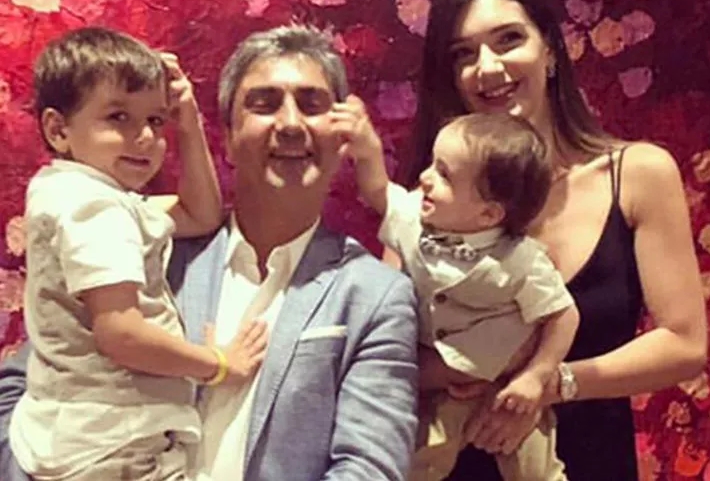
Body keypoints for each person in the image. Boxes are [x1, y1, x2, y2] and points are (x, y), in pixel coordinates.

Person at [0, 24, 419, 481]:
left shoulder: (375, 296)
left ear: (341, 139)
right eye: (264, 104)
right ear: (229, 137)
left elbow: (369, 469)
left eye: (312, 104)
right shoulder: (146, 245)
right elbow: (35, 374)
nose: (291, 124)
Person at [403, 0, 707, 480]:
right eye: (464, 53)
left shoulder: (637, 174)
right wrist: (465, 366)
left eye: (508, 39)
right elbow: (388, 351)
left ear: (548, 49)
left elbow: (684, 345)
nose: (488, 68)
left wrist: (550, 382)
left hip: (592, 464)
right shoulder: (426, 202)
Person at [8, 27, 269, 481]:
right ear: (58, 129)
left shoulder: (73, 190)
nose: (144, 136)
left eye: (156, 120)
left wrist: (187, 123)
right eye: (118, 117)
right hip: (110, 443)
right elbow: (121, 333)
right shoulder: (95, 209)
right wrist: (219, 364)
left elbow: (200, 214)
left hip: (82, 437)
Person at [338, 107, 578, 480]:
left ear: (488, 215)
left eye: (444, 175)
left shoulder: (521, 260)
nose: (425, 178)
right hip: (439, 387)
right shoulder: (414, 220)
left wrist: (535, 376)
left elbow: (563, 315)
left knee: (536, 469)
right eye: (432, 165)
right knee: (418, 458)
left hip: (506, 386)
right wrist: (368, 150)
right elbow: (379, 191)